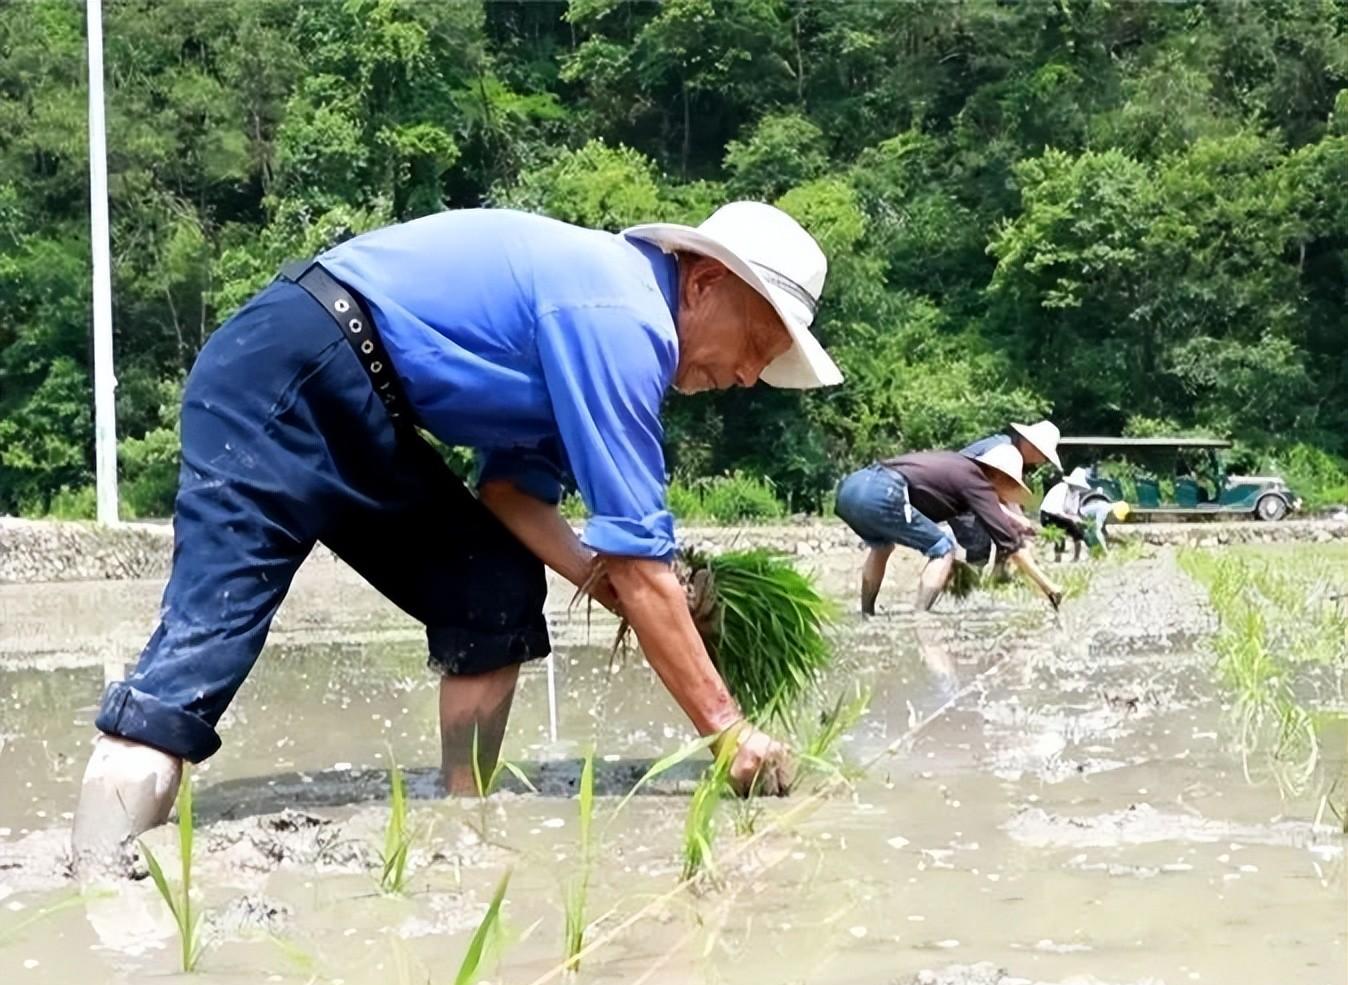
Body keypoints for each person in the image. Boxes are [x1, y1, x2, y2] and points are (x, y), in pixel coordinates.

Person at [71, 202, 841, 873]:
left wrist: (603, 583)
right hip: (291, 367)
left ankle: (460, 823)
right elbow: (642, 566)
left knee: (491, 589)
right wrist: (728, 731)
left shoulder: (602, 319)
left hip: (361, 404)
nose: (749, 377)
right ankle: (93, 878)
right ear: (705, 283)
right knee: (202, 651)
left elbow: (511, 495)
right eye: (756, 343)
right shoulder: (623, 318)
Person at [834, 443, 1063, 613]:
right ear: (997, 474)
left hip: (851, 488)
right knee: (943, 548)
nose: (1008, 488)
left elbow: (989, 509)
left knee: (882, 546)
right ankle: (920, 616)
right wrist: (1049, 587)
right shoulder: (978, 481)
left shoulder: (960, 467)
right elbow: (1011, 545)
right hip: (885, 491)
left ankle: (867, 613)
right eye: (1010, 482)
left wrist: (1014, 519)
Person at [949, 419, 1062, 565]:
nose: (1042, 461)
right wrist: (1016, 520)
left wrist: (1021, 523)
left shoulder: (1013, 454)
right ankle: (970, 576)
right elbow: (985, 495)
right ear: (1033, 446)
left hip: (967, 493)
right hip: (955, 491)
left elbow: (1007, 496)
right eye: (1044, 456)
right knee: (979, 540)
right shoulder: (1003, 452)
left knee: (1003, 533)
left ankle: (994, 573)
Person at [1039, 465, 1094, 561]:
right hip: (1048, 515)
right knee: (1060, 535)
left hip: (1062, 516)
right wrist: (1071, 518)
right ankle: (1057, 559)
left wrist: (1079, 520)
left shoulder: (1076, 493)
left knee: (1077, 531)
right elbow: (1056, 511)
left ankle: (1076, 558)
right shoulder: (1061, 489)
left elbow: (1073, 512)